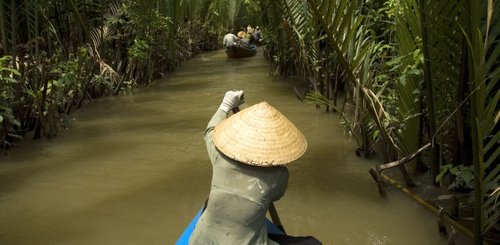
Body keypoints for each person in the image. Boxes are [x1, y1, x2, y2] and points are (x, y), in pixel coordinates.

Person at [189, 91, 322, 245]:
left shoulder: (220, 156)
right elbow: (276, 196)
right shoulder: (279, 174)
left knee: (209, 202)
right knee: (313, 243)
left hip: (199, 241)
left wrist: (226, 104)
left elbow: (210, 131)